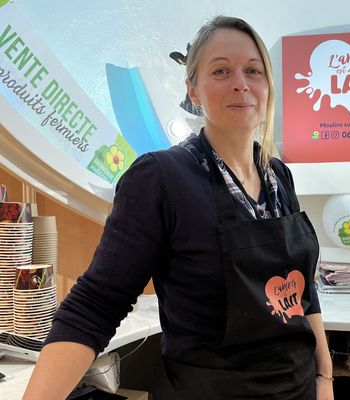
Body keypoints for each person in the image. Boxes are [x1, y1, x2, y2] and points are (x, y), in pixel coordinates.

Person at [24, 15, 334, 400]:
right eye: (221, 70)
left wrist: (325, 378)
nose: (241, 83)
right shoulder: (160, 178)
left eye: (253, 70)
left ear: (268, 85)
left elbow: (303, 294)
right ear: (194, 89)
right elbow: (96, 305)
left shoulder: (278, 176)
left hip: (298, 390)